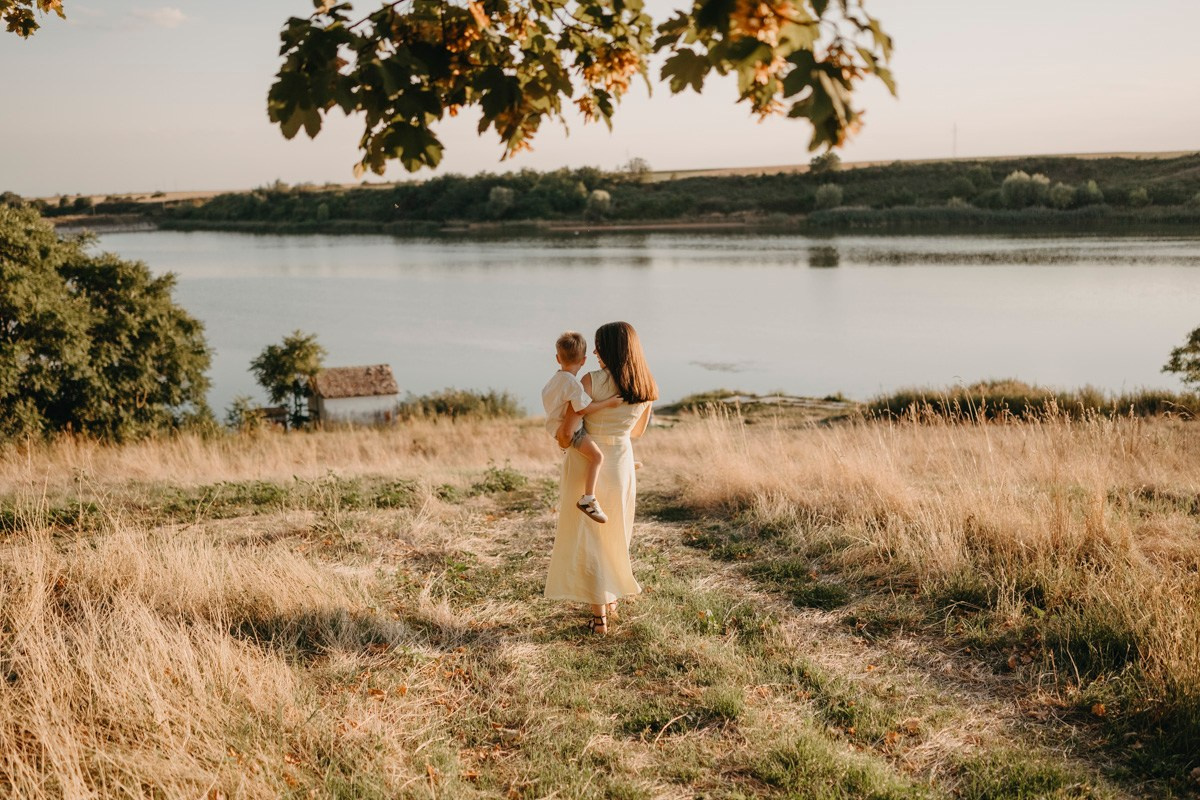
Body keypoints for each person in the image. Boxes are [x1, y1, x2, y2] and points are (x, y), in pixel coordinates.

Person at [544, 321, 657, 635]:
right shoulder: (646, 384)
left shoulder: (591, 381)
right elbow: (638, 432)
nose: (593, 352)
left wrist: (564, 442)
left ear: (608, 348)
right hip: (621, 461)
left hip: (587, 463)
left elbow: (567, 431)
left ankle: (598, 617)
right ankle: (609, 600)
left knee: (589, 538)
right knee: (615, 534)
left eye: (597, 346)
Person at [541, 331, 621, 522]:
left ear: (557, 358)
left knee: (595, 453)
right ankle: (589, 499)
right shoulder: (573, 385)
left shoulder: (553, 381)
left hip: (555, 427)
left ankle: (615, 467)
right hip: (571, 431)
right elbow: (583, 409)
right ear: (584, 360)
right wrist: (609, 402)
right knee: (597, 456)